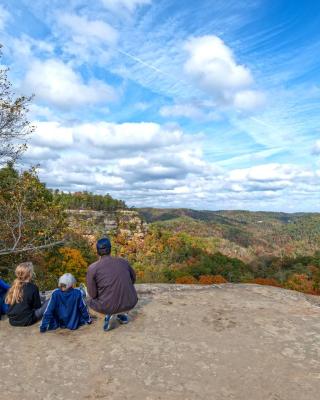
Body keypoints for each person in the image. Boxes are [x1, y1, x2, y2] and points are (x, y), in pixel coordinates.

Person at [86, 237, 138, 332]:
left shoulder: (92, 268)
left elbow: (93, 295)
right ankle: (122, 315)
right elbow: (133, 279)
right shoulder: (124, 262)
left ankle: (109, 315)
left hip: (109, 306)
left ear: (97, 251)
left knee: (87, 300)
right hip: (131, 301)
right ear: (110, 249)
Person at [6, 262, 48, 327]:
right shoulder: (33, 287)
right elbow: (37, 307)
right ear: (30, 274)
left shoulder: (13, 287)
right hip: (27, 321)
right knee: (52, 298)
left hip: (12, 321)